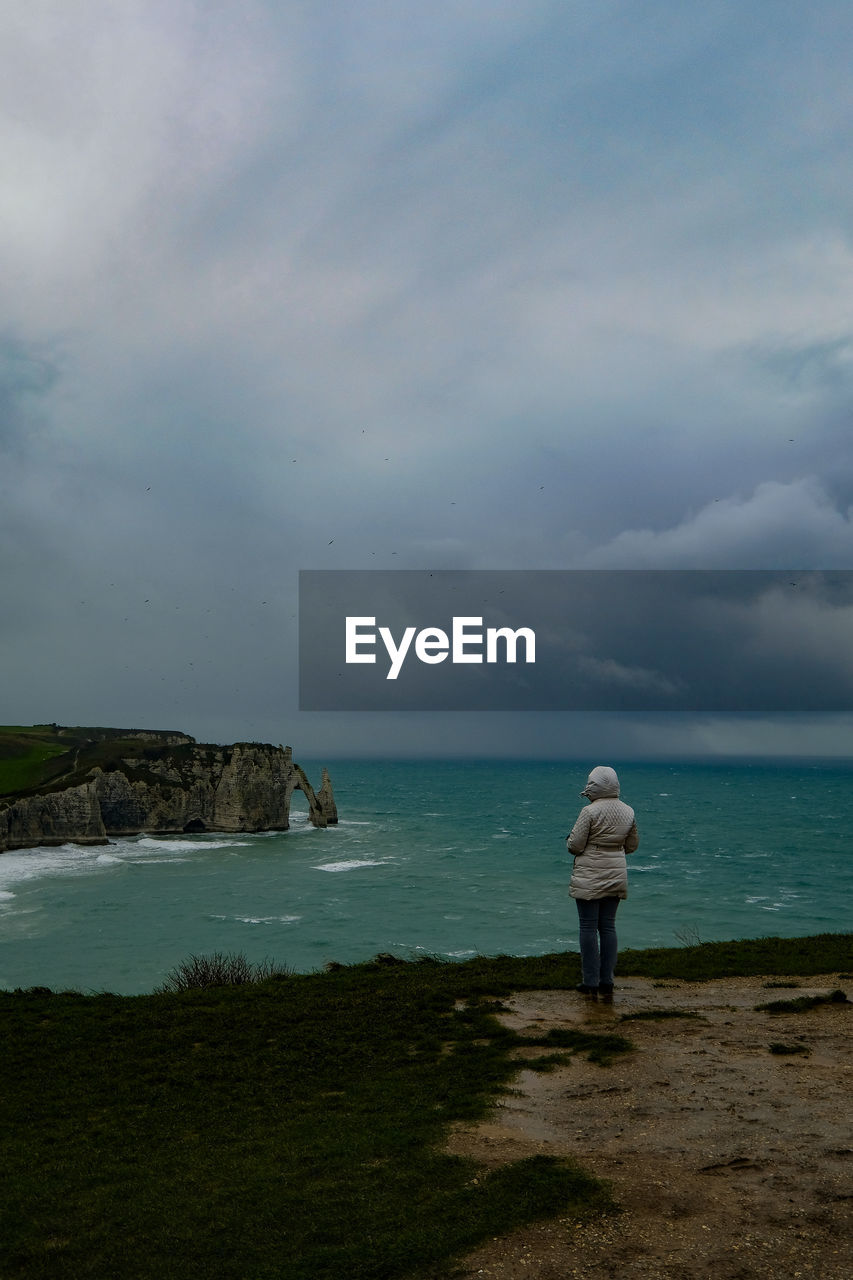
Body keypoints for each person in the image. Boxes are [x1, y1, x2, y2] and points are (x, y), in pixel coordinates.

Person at [567, 765, 639, 1000]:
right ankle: (607, 981)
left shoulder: (589, 812)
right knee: (608, 927)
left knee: (588, 927)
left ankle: (590, 982)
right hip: (616, 872)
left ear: (593, 785)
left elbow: (575, 846)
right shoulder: (628, 811)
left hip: (590, 874)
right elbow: (632, 845)